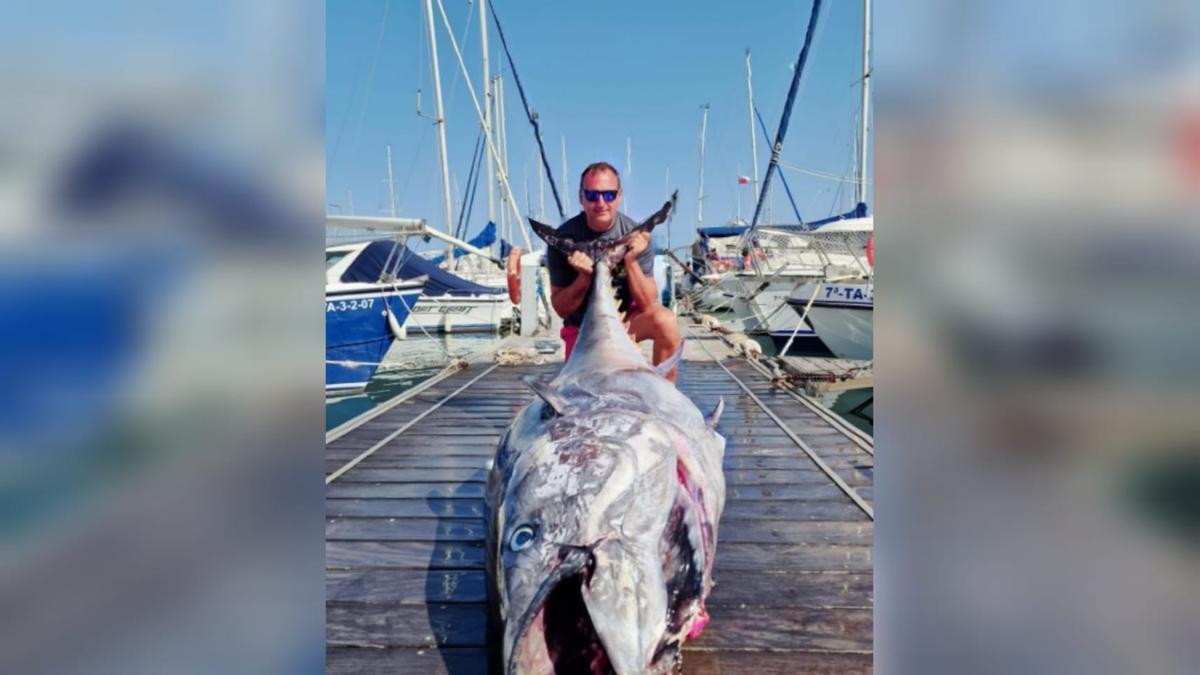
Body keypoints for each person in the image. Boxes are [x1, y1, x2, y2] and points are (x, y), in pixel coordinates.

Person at [547, 162, 682, 382]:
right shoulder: (563, 239)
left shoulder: (635, 235)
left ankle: (664, 401)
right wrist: (584, 278)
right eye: (592, 195)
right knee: (581, 392)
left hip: (626, 324)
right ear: (581, 197)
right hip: (582, 330)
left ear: (619, 196)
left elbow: (649, 304)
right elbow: (561, 309)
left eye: (608, 195)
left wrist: (630, 259)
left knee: (666, 322)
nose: (600, 203)